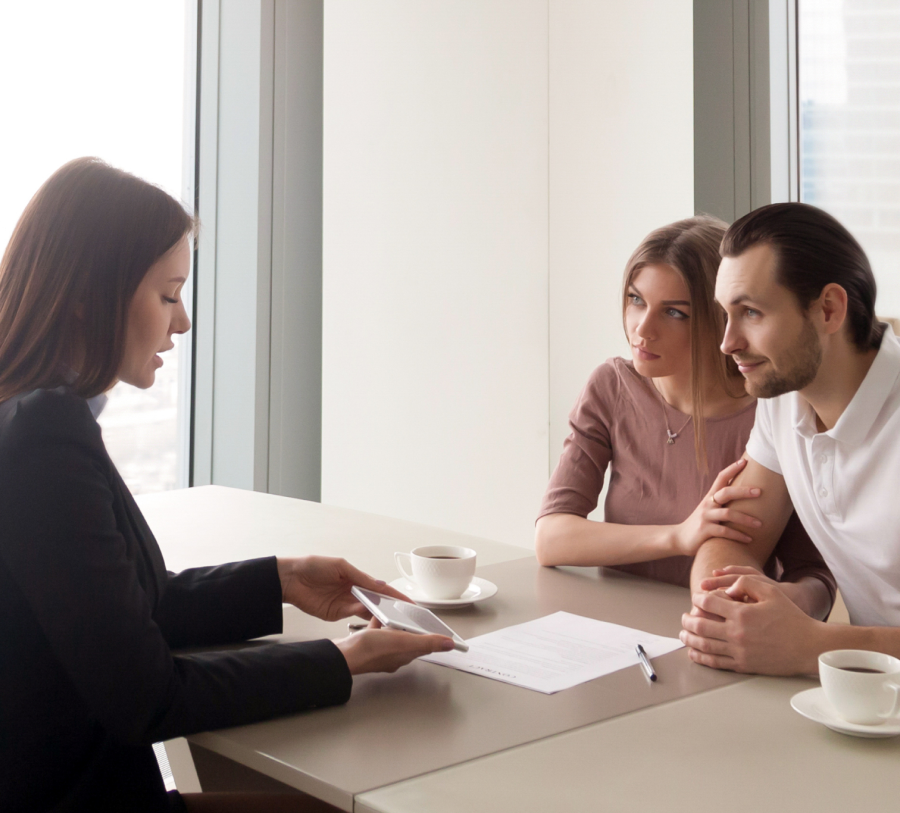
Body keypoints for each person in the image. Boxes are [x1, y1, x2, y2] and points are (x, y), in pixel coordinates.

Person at [0, 158, 454, 813]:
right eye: (167, 294)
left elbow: (124, 613)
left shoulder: (28, 413)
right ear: (86, 292)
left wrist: (281, 579)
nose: (181, 322)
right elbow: (148, 694)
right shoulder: (43, 437)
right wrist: (344, 659)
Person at [535, 215, 834, 619]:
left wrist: (791, 612)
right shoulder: (611, 387)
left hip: (720, 635)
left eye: (674, 313)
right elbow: (551, 538)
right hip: (614, 630)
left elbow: (813, 574)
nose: (643, 328)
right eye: (636, 300)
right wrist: (678, 536)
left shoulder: (773, 413)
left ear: (721, 318)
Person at [681, 202, 900, 676]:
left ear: (828, 309)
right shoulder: (783, 397)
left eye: (751, 313)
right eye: (726, 314)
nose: (727, 342)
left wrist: (810, 646)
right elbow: (734, 538)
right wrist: (728, 607)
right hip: (863, 700)